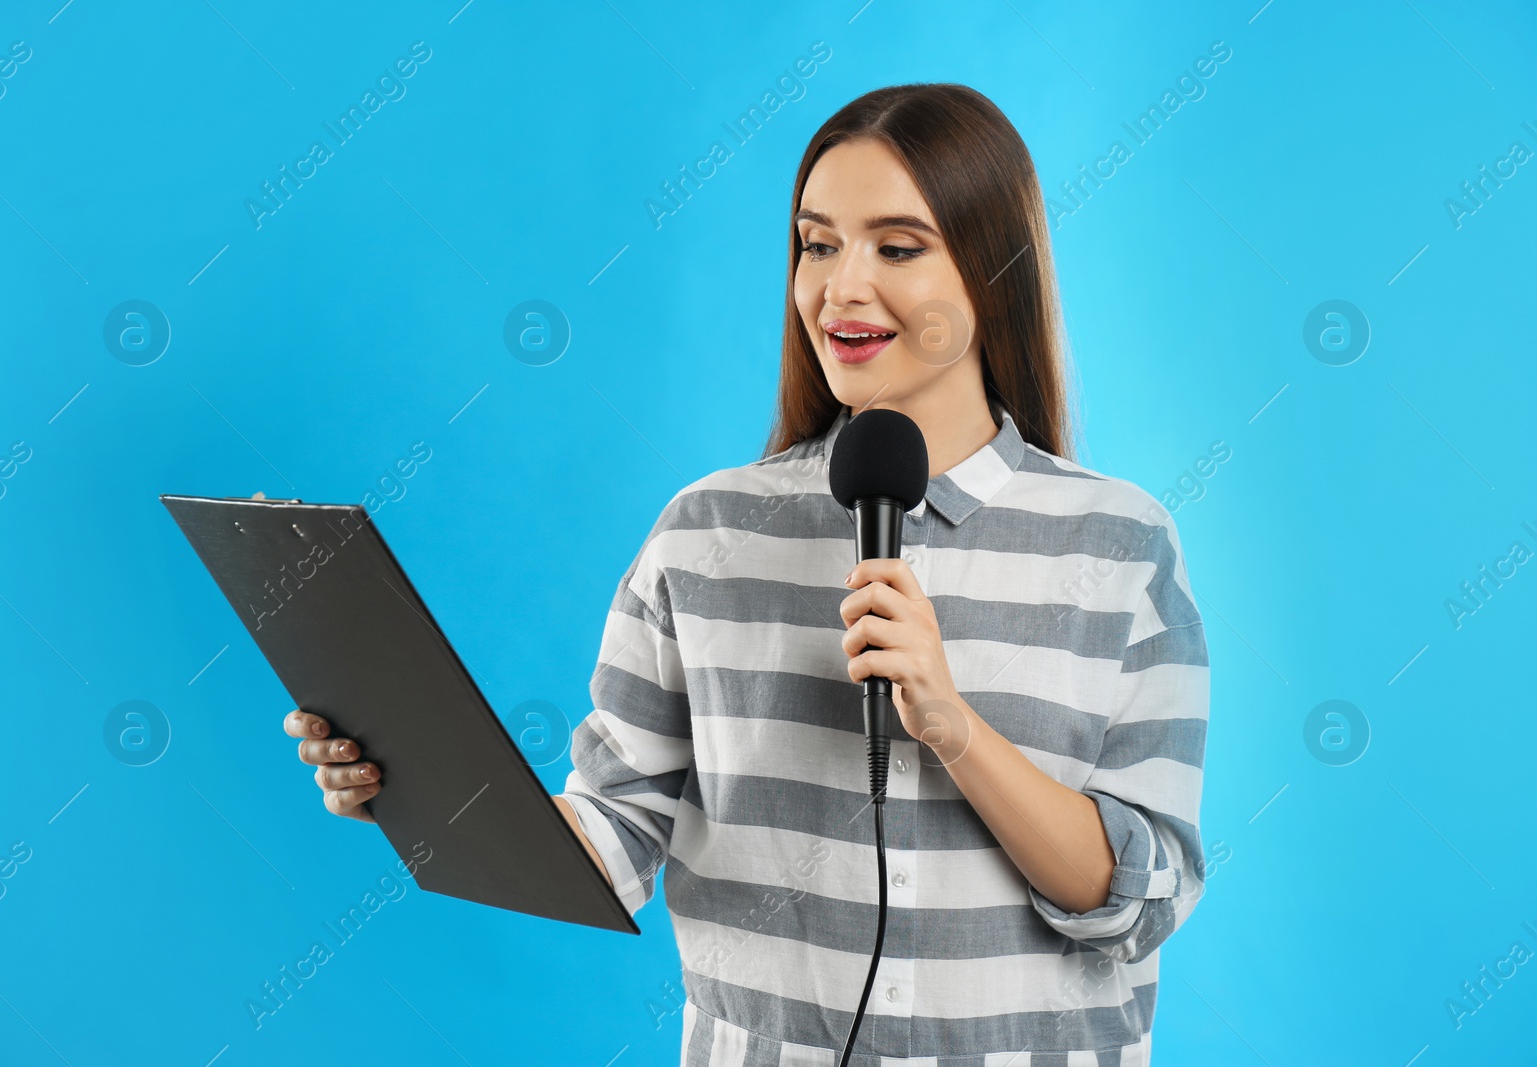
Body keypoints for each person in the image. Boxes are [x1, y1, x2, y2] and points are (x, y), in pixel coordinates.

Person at [284, 83, 1210, 1066]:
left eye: (896, 247)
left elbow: (1140, 896)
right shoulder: (705, 531)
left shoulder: (1120, 542)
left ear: (993, 268)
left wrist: (952, 723)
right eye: (817, 243)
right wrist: (416, 784)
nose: (841, 287)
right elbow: (610, 832)